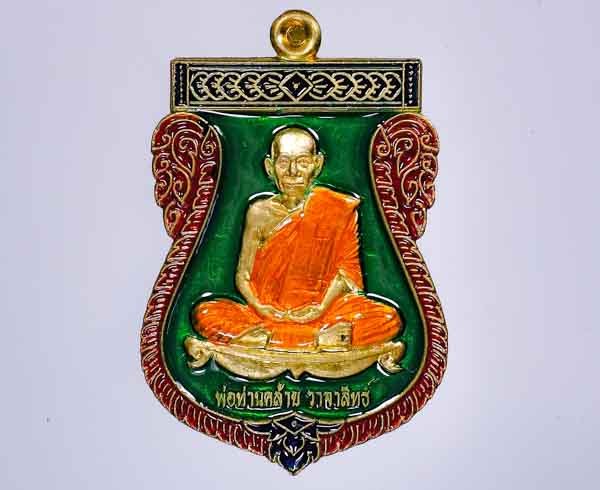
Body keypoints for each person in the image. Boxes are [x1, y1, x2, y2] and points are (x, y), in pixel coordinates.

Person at [191, 127, 401, 351]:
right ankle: (315, 341)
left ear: (317, 164)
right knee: (205, 312)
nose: (293, 172)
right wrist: (260, 307)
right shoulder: (259, 212)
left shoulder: (337, 208)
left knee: (388, 318)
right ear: (270, 167)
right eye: (284, 163)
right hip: (263, 316)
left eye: (302, 162)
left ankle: (268, 341)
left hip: (323, 314)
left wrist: (320, 308)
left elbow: (345, 274)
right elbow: (243, 275)